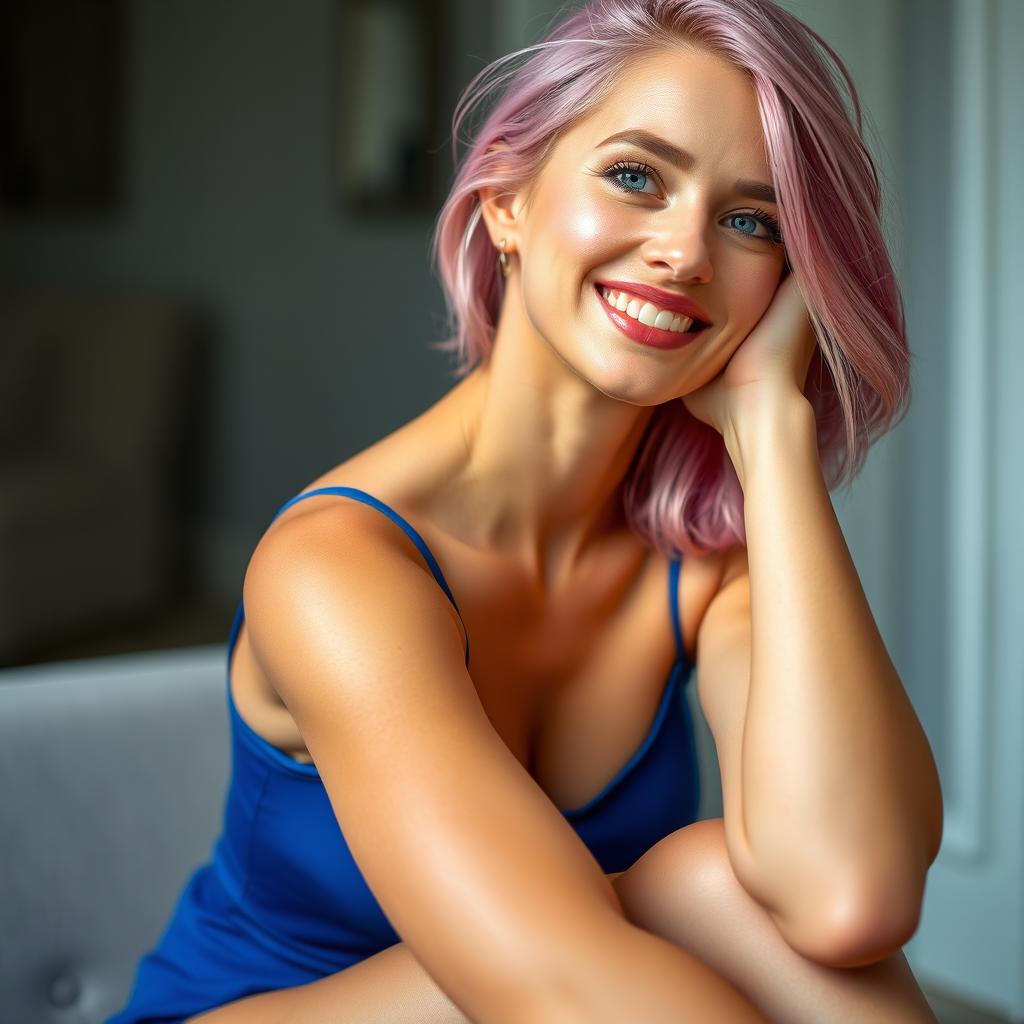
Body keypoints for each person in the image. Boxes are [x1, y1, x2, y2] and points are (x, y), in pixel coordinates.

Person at [109, 0, 944, 1021]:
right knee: (638, 927)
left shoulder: (701, 559)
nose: (684, 252)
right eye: (636, 175)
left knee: (713, 891)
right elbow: (562, 994)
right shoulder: (337, 564)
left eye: (749, 221)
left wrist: (770, 436)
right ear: (507, 199)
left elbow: (849, 894)